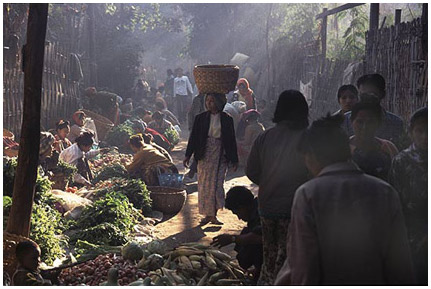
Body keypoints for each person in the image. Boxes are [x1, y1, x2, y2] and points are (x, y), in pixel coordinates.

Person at [275, 114, 415, 285]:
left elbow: (304, 263)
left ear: (310, 155)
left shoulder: (308, 194)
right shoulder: (385, 191)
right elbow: (401, 262)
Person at [246, 90, 310, 285]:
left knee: (270, 256)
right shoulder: (308, 138)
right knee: (288, 259)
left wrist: (268, 182)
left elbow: (251, 171)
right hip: (294, 208)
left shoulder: (265, 137)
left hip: (267, 206)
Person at [184, 93, 238, 225]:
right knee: (205, 185)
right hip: (205, 154)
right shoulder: (200, 118)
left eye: (212, 101)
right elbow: (194, 138)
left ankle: (214, 213)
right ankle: (208, 215)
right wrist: (188, 154)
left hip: (221, 155)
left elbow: (231, 140)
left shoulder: (227, 119)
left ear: (219, 103)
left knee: (217, 184)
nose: (209, 103)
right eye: (207, 101)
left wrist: (234, 159)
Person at [389, 107, 428, 285]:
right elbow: (394, 202)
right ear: (411, 132)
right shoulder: (402, 161)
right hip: (411, 233)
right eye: (420, 130)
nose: (425, 136)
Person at [211, 186, 263, 282]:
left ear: (243, 207)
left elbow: (261, 237)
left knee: (246, 238)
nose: (239, 218)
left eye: (237, 212)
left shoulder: (261, 212)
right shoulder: (255, 210)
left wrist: (232, 239)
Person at [342, 73, 405, 149]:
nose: (368, 98)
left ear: (383, 94)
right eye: (363, 94)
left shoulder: (396, 123)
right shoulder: (345, 121)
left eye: (373, 94)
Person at [349, 100, 399, 181]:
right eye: (360, 122)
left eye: (370, 122)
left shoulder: (388, 148)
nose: (364, 127)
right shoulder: (342, 151)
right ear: (352, 122)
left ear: (378, 123)